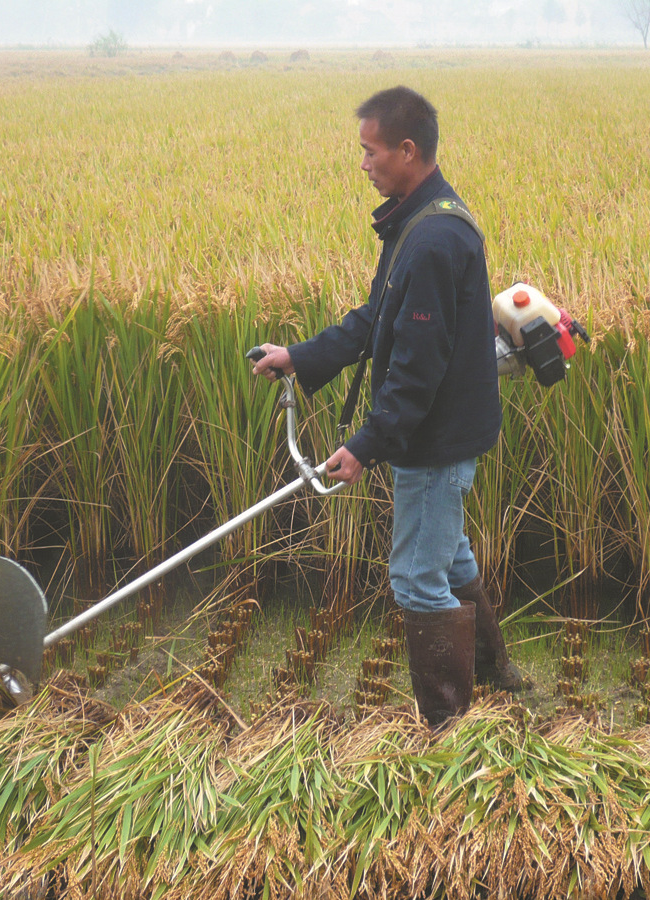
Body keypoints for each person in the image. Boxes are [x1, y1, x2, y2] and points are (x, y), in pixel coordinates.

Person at [250, 85, 527, 728]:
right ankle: (496, 676)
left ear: (408, 150)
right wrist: (302, 355)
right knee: (449, 558)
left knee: (415, 581)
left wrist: (367, 444)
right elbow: (380, 320)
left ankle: (446, 728)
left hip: (435, 446)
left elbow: (415, 372)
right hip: (441, 436)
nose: (364, 164)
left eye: (371, 152)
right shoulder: (418, 219)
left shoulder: (431, 240)